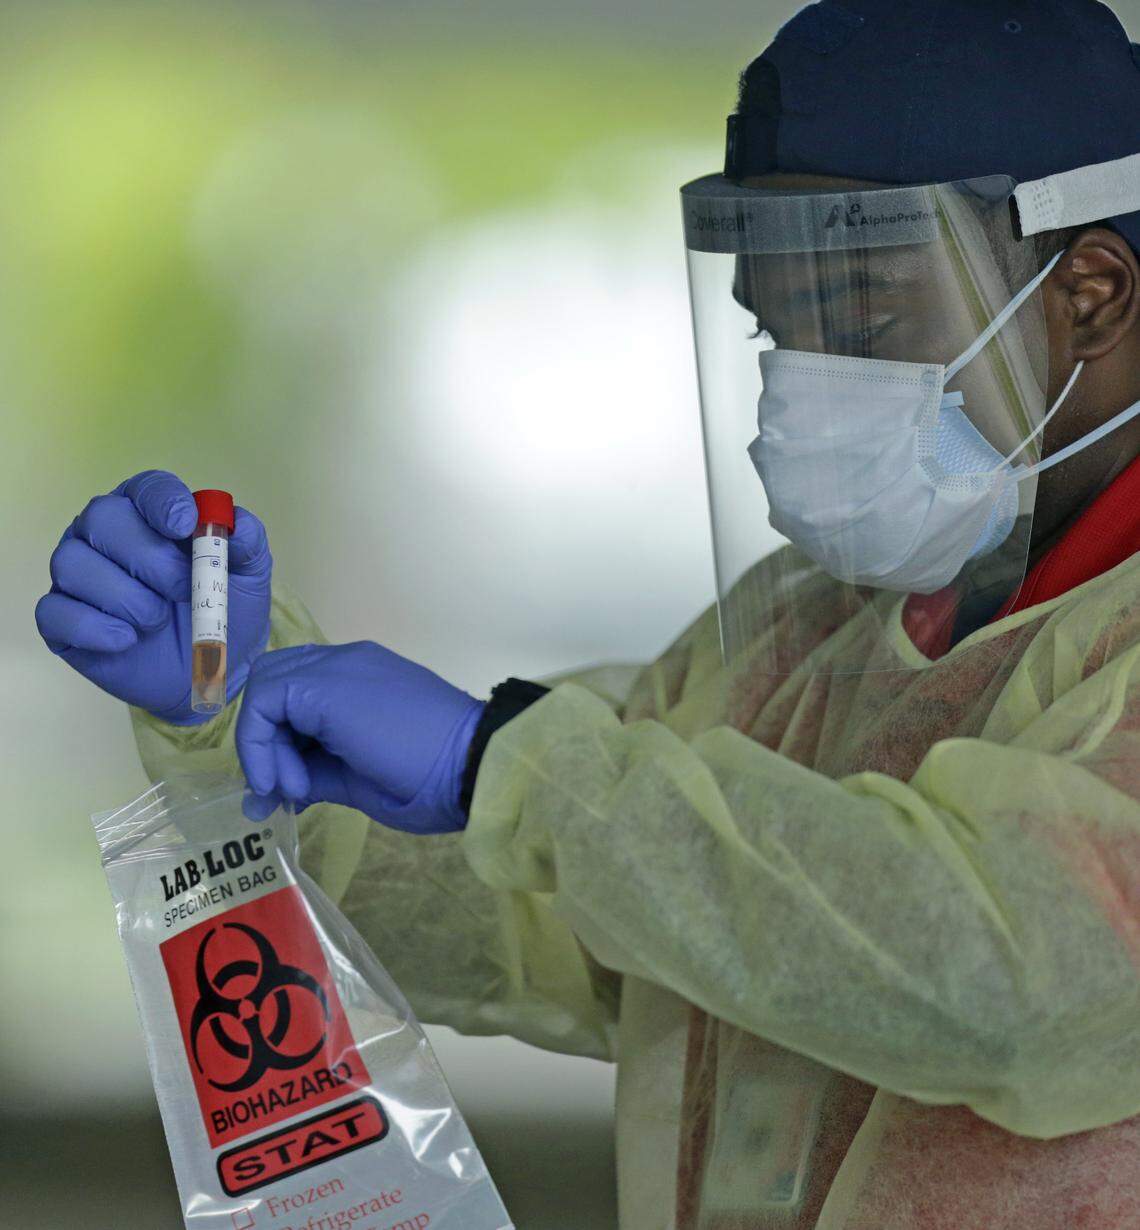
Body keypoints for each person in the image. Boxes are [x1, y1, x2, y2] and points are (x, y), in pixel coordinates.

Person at [35, 2, 1140, 1226]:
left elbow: (1038, 982)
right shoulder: (815, 630)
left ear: (1088, 292)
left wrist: (502, 763)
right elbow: (591, 916)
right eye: (778, 332)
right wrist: (235, 698)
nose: (801, 392)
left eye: (863, 317)